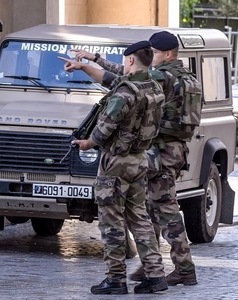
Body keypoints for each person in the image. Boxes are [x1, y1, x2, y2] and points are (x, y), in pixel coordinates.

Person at [62, 30, 198, 286]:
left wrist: (92, 62)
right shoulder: (184, 78)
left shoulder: (161, 77)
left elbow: (121, 77)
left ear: (167, 54)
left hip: (153, 153)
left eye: (155, 53)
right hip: (168, 151)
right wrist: (91, 60)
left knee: (150, 211)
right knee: (145, 210)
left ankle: (169, 269)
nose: (153, 57)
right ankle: (154, 270)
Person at [67, 41, 166, 294]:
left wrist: (88, 143)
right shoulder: (154, 85)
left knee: (111, 221)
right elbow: (112, 76)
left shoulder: (125, 91)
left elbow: (108, 125)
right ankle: (155, 275)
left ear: (131, 60)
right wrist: (89, 63)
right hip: (140, 159)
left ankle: (115, 279)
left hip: (115, 162)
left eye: (124, 60)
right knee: (140, 218)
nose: (123, 64)